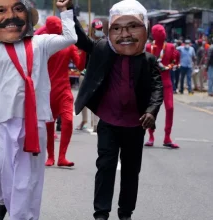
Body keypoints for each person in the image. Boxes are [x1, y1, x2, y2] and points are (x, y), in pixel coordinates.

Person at [0, 0, 77, 219]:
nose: (10, 16)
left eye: (18, 10)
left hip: (35, 120)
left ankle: (22, 216)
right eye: (2, 11)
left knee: (27, 178)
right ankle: (2, 201)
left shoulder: (42, 43)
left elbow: (71, 38)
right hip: (3, 117)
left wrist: (65, 10)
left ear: (27, 16)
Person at [73, 0, 164, 219]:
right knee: (105, 166)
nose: (125, 34)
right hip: (109, 121)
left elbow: (157, 88)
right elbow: (81, 40)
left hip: (136, 124)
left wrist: (151, 111)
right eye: (117, 28)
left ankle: (125, 213)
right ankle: (101, 213)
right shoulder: (104, 49)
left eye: (133, 27)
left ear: (144, 29)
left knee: (131, 171)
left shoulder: (148, 60)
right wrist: (69, 12)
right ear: (109, 30)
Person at [35, 16, 85, 167]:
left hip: (64, 89)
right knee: (49, 126)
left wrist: (83, 51)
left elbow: (80, 66)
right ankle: (50, 156)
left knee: (68, 120)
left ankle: (62, 156)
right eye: (53, 25)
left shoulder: (68, 45)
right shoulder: (42, 46)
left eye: (58, 24)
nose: (57, 26)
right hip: (47, 91)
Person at [145, 24, 179, 148]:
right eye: (159, 31)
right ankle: (151, 136)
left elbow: (175, 61)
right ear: (154, 34)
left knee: (170, 108)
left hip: (167, 82)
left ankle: (167, 137)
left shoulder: (170, 47)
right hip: (153, 83)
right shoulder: (149, 47)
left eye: (163, 31)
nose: (162, 33)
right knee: (152, 110)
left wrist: (168, 67)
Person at [76, 18, 104, 132]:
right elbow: (81, 64)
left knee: (97, 99)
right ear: (92, 30)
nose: (99, 31)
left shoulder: (104, 43)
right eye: (97, 29)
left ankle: (96, 124)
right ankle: (84, 120)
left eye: (101, 29)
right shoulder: (87, 42)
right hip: (86, 73)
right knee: (83, 98)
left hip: (98, 75)